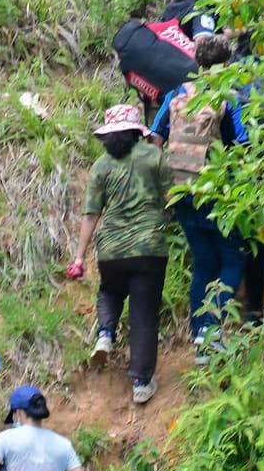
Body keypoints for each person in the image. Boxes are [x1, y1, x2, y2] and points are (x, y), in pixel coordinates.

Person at [149, 35, 252, 358]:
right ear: (227, 65)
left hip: (181, 192)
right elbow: (243, 146)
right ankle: (212, 331)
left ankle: (199, 339)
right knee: (234, 258)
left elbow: (154, 138)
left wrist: (163, 185)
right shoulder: (230, 98)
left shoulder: (176, 96)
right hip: (218, 193)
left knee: (204, 263)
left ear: (197, 62)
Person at [69, 103, 172, 405]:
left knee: (109, 291)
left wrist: (78, 257)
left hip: (110, 247)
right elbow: (170, 197)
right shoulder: (153, 155)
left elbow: (90, 214)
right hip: (149, 246)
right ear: (135, 130)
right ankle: (141, 382)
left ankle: (105, 333)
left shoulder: (100, 166)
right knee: (144, 312)